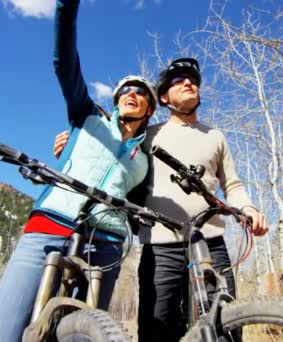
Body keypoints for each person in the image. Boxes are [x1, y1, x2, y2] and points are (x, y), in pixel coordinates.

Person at [54, 57, 269, 342]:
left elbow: (233, 184)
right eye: (178, 80)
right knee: (157, 329)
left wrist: (248, 208)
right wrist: (73, 143)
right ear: (165, 98)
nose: (188, 82)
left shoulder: (216, 137)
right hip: (159, 247)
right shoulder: (148, 134)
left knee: (222, 326)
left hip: (210, 243)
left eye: (192, 80)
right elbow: (113, 147)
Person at [0, 0, 157, 341]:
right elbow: (64, 62)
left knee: (86, 334)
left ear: (149, 109)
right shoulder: (87, 117)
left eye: (141, 92)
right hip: (50, 226)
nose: (132, 94)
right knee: (3, 330)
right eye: (126, 90)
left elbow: (140, 206)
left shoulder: (143, 161)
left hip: (105, 243)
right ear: (117, 99)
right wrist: (67, 7)